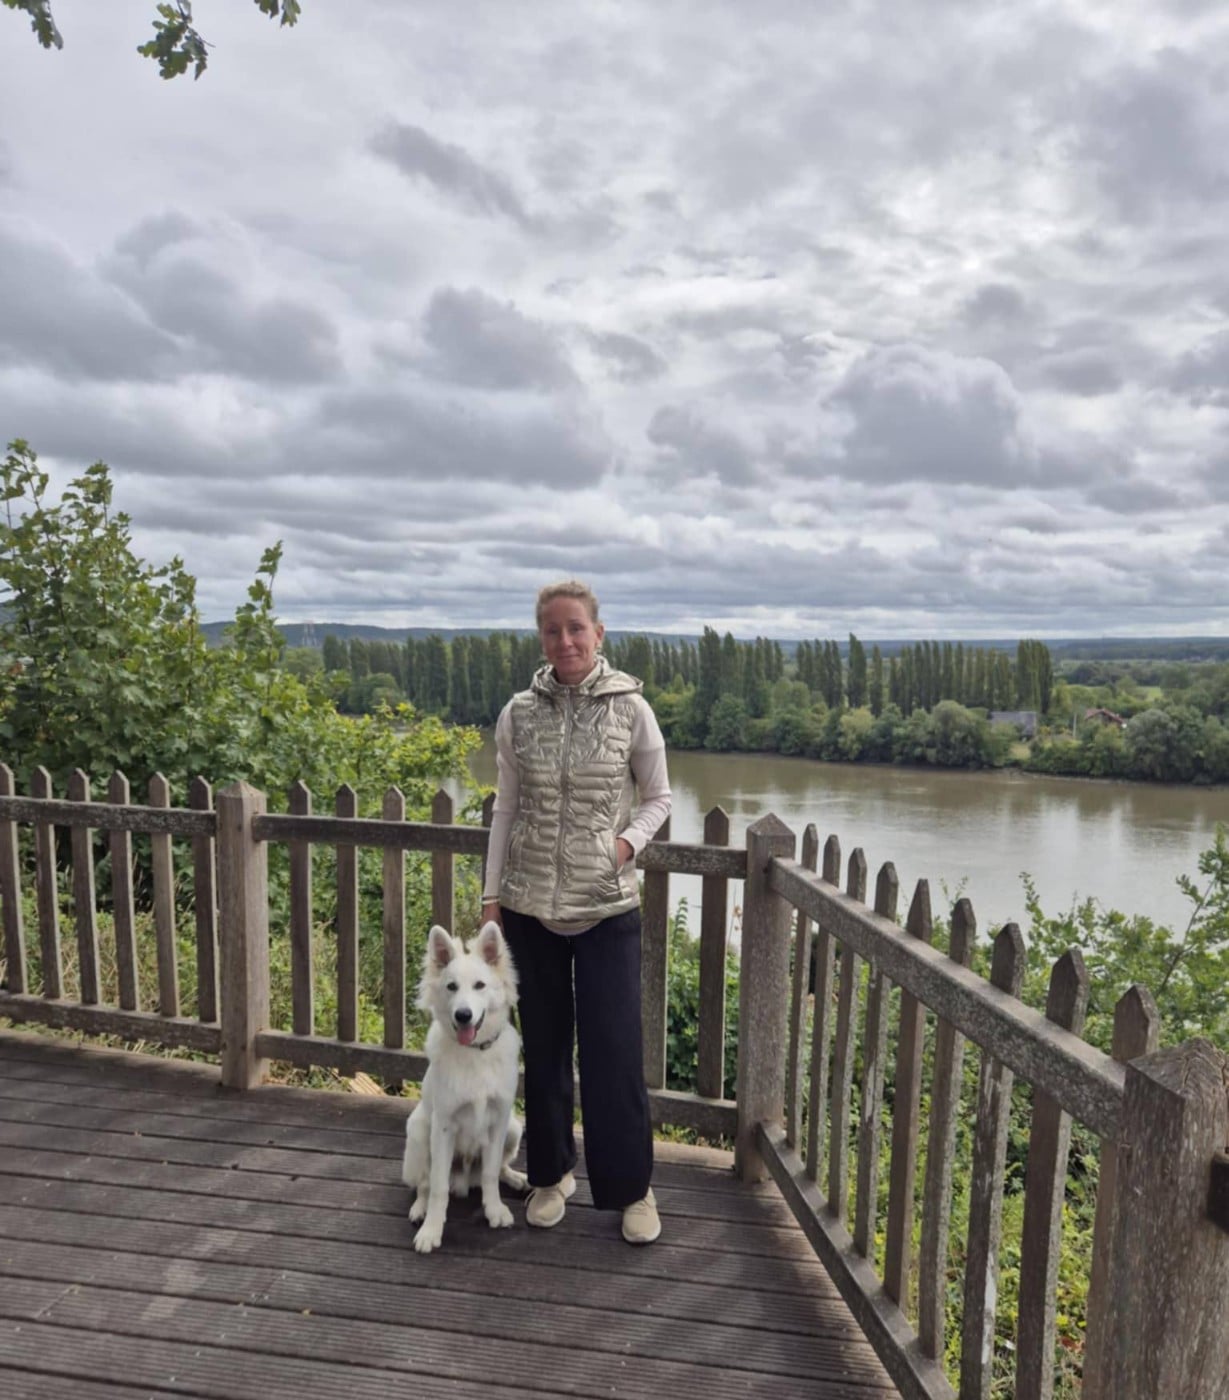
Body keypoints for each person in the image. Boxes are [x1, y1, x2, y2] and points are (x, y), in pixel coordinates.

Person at [480, 579, 671, 1245]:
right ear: (541, 638)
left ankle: (631, 1190)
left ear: (597, 633)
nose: (564, 641)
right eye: (552, 631)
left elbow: (659, 796)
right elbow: (504, 807)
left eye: (575, 628)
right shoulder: (517, 714)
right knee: (546, 1047)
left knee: (615, 1051)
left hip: (605, 907)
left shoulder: (631, 709)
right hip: (530, 908)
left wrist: (623, 846)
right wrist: (491, 897)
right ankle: (550, 1174)